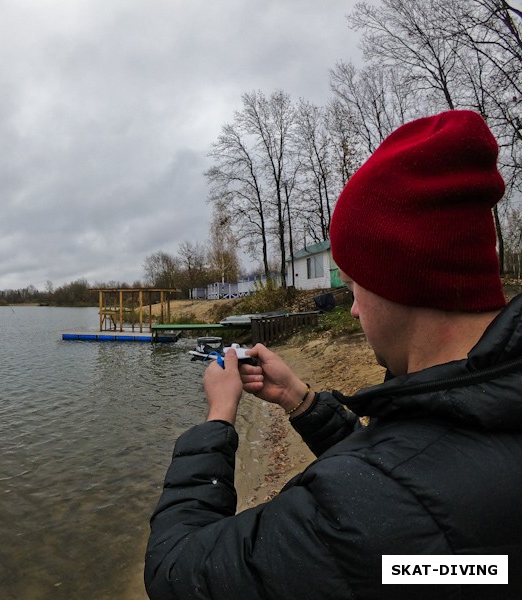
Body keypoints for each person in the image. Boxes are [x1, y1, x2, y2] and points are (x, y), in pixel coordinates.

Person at [144, 110, 522, 599]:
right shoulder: (492, 404)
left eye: (353, 286)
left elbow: (175, 572)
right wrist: (300, 400)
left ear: (397, 283)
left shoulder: (377, 522)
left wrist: (218, 418)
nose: (352, 312)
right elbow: (423, 501)